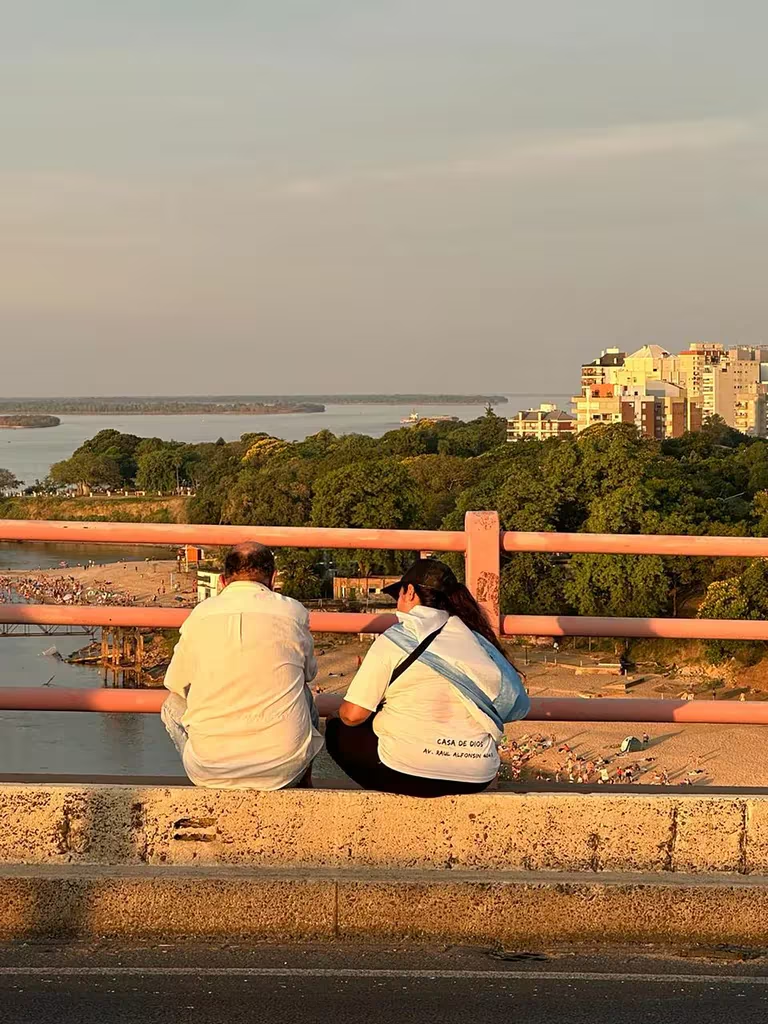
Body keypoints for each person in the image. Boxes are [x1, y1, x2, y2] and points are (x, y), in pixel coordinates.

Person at [325, 559, 530, 797]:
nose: (397, 604)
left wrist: (338, 715)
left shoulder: (397, 638)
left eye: (399, 595)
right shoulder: (476, 641)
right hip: (477, 776)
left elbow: (352, 715)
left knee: (337, 728)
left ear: (410, 592)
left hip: (406, 774)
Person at [161, 542, 321, 789]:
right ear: (273, 578)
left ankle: (211, 762)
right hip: (283, 767)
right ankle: (304, 780)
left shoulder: (201, 614)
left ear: (223, 581)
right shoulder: (293, 611)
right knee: (306, 696)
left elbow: (175, 684)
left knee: (171, 705)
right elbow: (309, 672)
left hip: (210, 770)